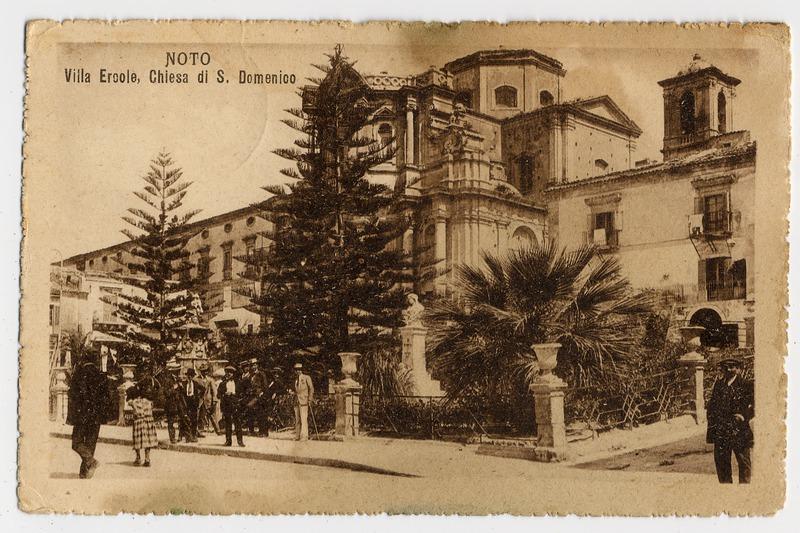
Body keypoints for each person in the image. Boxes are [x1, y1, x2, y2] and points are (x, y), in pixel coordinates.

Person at [706, 357, 754, 484]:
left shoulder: (746, 385)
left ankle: (745, 492)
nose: (728, 369)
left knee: (743, 462)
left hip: (739, 430)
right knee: (722, 464)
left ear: (738, 369)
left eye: (732, 366)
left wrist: (743, 416)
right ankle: (726, 492)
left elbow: (755, 405)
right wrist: (713, 425)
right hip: (722, 431)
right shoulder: (719, 385)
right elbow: (712, 406)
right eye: (725, 367)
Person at [67, 352, 109, 479]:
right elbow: (107, 398)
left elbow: (72, 395)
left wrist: (72, 415)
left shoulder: (79, 374)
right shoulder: (102, 376)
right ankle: (84, 473)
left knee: (76, 442)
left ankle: (91, 461)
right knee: (90, 443)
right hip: (96, 416)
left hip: (82, 415)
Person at [127, 384, 158, 467]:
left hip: (139, 422)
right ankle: (147, 459)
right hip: (149, 422)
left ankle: (138, 458)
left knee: (138, 440)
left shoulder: (134, 402)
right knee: (148, 440)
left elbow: (129, 401)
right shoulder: (149, 402)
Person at [218, 365, 245, 447]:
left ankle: (240, 441)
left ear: (233, 374)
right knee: (228, 424)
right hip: (227, 405)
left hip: (236, 405)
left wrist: (235, 396)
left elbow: (243, 393)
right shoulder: (222, 384)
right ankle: (228, 441)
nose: (228, 374)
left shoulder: (238, 383)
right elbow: (218, 395)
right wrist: (224, 394)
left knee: (238, 423)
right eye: (227, 372)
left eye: (230, 372)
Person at [163, 365, 188, 444]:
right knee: (171, 421)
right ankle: (172, 438)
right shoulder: (167, 380)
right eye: (177, 370)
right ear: (173, 371)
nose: (178, 372)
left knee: (182, 419)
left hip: (179, 403)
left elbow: (183, 393)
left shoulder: (178, 379)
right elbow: (166, 393)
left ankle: (180, 436)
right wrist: (174, 387)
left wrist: (182, 387)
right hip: (171, 404)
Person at [246, 358, 270, 437]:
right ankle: (251, 430)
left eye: (255, 365)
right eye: (252, 365)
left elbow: (265, 386)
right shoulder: (250, 375)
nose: (253, 366)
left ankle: (263, 432)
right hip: (251, 396)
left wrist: (262, 393)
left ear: (257, 365)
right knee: (250, 411)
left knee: (261, 413)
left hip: (259, 396)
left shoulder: (261, 374)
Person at [181, 368, 205, 442]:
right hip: (186, 402)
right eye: (189, 376)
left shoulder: (195, 383)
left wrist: (199, 397)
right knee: (186, 420)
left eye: (191, 376)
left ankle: (194, 436)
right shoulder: (184, 384)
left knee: (194, 420)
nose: (190, 377)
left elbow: (203, 389)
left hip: (194, 403)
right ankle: (188, 436)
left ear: (193, 376)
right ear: (187, 376)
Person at [292, 363, 314, 441]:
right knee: (297, 419)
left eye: (299, 369)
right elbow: (297, 391)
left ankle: (304, 436)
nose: (298, 371)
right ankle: (297, 436)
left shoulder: (306, 377)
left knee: (304, 419)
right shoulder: (296, 380)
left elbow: (311, 388)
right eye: (296, 370)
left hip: (304, 400)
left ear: (302, 370)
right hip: (296, 401)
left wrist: (310, 399)